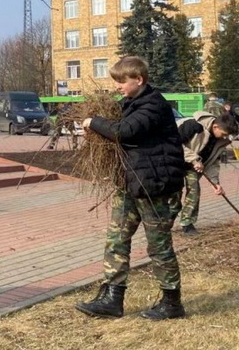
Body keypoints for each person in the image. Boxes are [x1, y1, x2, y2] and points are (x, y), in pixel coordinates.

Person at [75, 56, 187, 321]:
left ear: (139, 79)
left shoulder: (154, 105)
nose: (117, 87)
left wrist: (93, 122)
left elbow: (124, 131)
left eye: (121, 81)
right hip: (130, 184)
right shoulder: (130, 104)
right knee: (116, 239)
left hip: (155, 188)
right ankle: (113, 298)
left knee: (158, 247)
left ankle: (172, 303)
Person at [170, 111, 238, 235]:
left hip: (193, 167)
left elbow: (213, 162)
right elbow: (173, 144)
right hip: (174, 163)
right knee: (174, 195)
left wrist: (215, 183)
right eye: (223, 134)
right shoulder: (192, 126)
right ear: (215, 127)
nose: (224, 138)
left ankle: (187, 223)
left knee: (194, 191)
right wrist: (194, 159)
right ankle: (165, 222)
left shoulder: (220, 141)